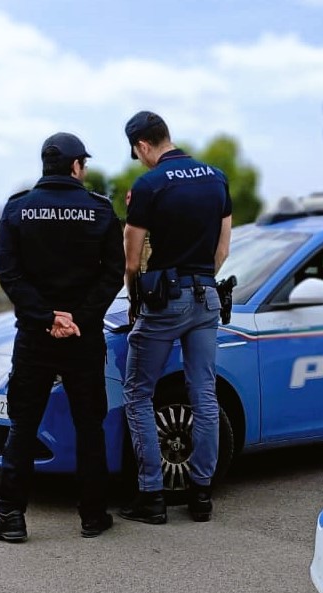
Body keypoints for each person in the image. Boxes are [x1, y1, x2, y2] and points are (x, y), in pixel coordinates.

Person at [0, 132, 125, 542]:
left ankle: (11, 516)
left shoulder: (17, 210)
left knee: (23, 425)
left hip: (35, 336)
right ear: (77, 167)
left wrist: (47, 317)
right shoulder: (99, 211)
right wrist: (77, 318)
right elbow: (112, 274)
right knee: (89, 424)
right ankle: (93, 515)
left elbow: (10, 274)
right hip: (83, 336)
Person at [119, 110, 232, 524]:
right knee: (204, 393)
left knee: (138, 393)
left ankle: (151, 496)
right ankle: (201, 495)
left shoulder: (149, 184)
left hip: (165, 301)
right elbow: (222, 249)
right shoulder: (216, 177)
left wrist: (136, 302)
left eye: (138, 153)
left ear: (143, 146)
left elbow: (132, 261)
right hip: (207, 297)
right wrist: (200, 281)